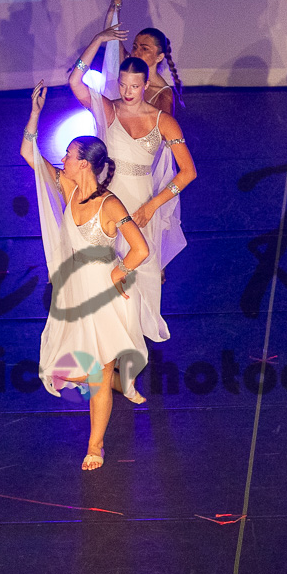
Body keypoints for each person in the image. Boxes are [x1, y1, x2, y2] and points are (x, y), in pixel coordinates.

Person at [22, 81, 150, 471]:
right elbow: (28, 152)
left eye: (68, 154)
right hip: (73, 294)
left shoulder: (110, 204)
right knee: (71, 370)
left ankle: (96, 445)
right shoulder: (67, 187)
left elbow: (140, 249)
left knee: (97, 373)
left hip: (103, 296)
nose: (62, 158)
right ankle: (115, 379)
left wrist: (119, 273)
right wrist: (35, 113)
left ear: (84, 164)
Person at [69, 31, 196, 343]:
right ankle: (108, 335)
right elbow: (75, 81)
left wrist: (153, 205)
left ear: (146, 84)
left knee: (140, 269)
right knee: (105, 266)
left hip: (142, 201)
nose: (127, 92)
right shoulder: (108, 109)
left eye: (135, 86)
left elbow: (188, 173)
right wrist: (99, 40)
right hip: (108, 199)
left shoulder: (163, 121)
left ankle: (135, 337)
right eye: (123, 85)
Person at [100, 0, 183, 116]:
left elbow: (163, 127)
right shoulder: (127, 64)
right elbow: (110, 34)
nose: (136, 52)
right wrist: (117, 1)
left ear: (159, 57)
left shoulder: (163, 94)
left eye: (145, 49)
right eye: (135, 47)